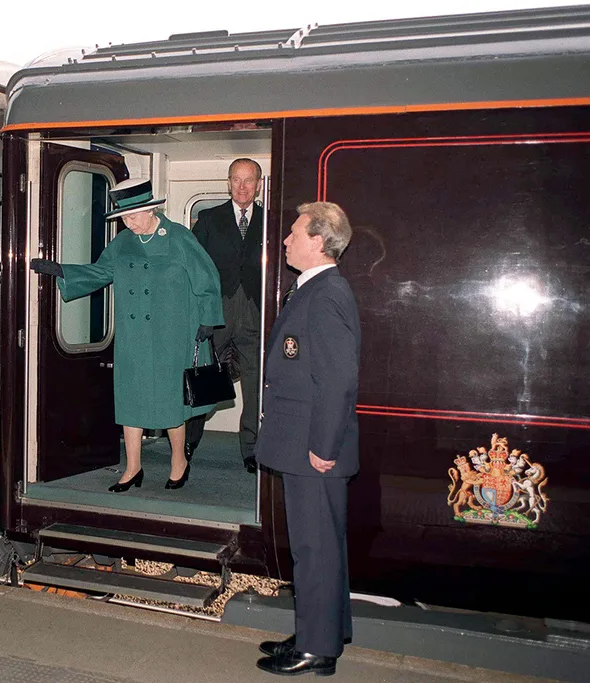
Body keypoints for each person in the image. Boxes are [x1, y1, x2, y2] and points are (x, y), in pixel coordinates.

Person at [31, 178, 224, 491]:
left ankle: (179, 461)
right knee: (130, 398)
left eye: (134, 216)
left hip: (172, 332)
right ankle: (133, 467)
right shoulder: (123, 243)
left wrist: (208, 319)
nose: (128, 222)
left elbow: (207, 279)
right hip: (134, 335)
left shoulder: (178, 237)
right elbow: (102, 272)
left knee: (172, 400)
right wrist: (63, 271)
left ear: (151, 209)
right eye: (123, 217)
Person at [254, 201, 360, 677]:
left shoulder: (327, 294)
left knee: (313, 547)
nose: (285, 240)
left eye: (294, 233)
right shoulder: (313, 290)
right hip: (306, 442)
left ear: (318, 241)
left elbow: (338, 380)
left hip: (313, 448)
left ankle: (318, 650)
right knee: (321, 544)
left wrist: (323, 446)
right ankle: (322, 631)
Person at [187, 158, 264, 473]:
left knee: (255, 383)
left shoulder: (271, 221)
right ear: (228, 182)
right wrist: (199, 312)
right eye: (237, 180)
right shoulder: (208, 219)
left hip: (255, 311)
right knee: (203, 376)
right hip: (216, 312)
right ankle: (188, 440)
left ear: (259, 184)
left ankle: (252, 451)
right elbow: (191, 267)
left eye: (249, 180)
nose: (242, 187)